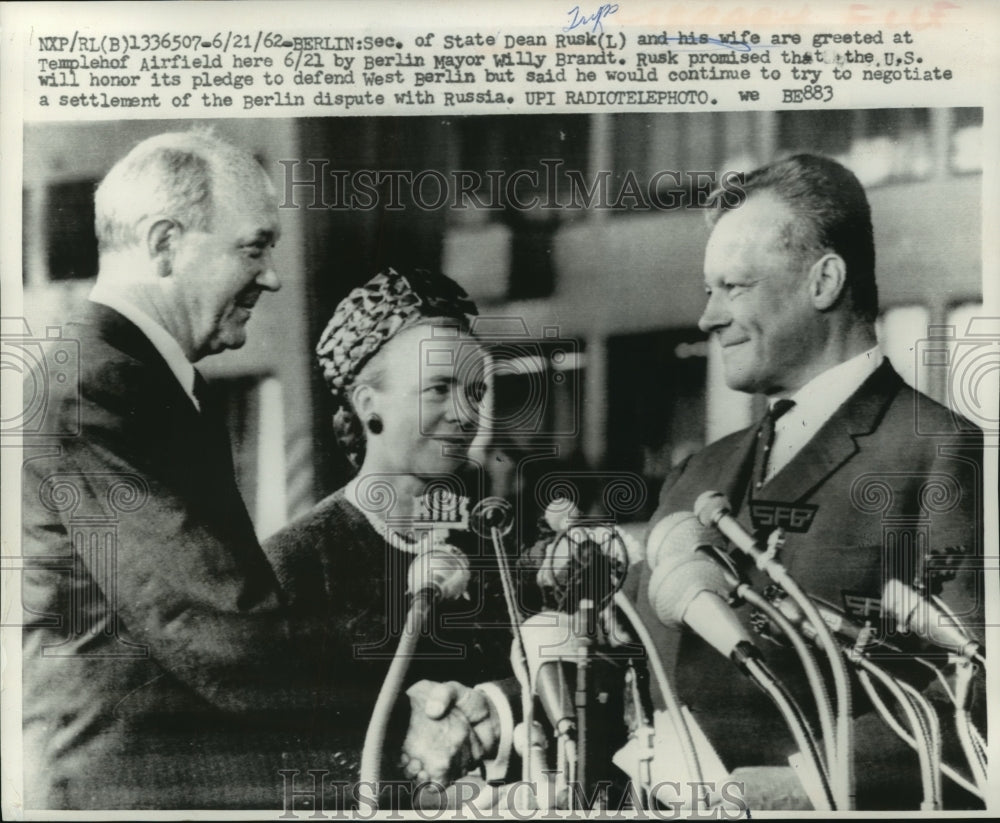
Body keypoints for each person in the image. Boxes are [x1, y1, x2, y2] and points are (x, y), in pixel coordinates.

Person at [634, 154, 984, 809]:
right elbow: (621, 648)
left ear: (824, 281)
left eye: (732, 287)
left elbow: (973, 690)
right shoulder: (697, 473)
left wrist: (814, 784)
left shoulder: (942, 451)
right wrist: (495, 707)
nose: (708, 318)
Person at [20, 130, 336, 809]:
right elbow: (216, 621)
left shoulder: (131, 376)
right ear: (164, 244)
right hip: (128, 791)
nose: (273, 275)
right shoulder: (96, 386)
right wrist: (394, 713)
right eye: (254, 246)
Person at [262, 268, 521, 802]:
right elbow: (283, 751)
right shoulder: (297, 564)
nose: (464, 413)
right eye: (439, 389)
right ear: (367, 404)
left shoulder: (490, 539)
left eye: (475, 391)